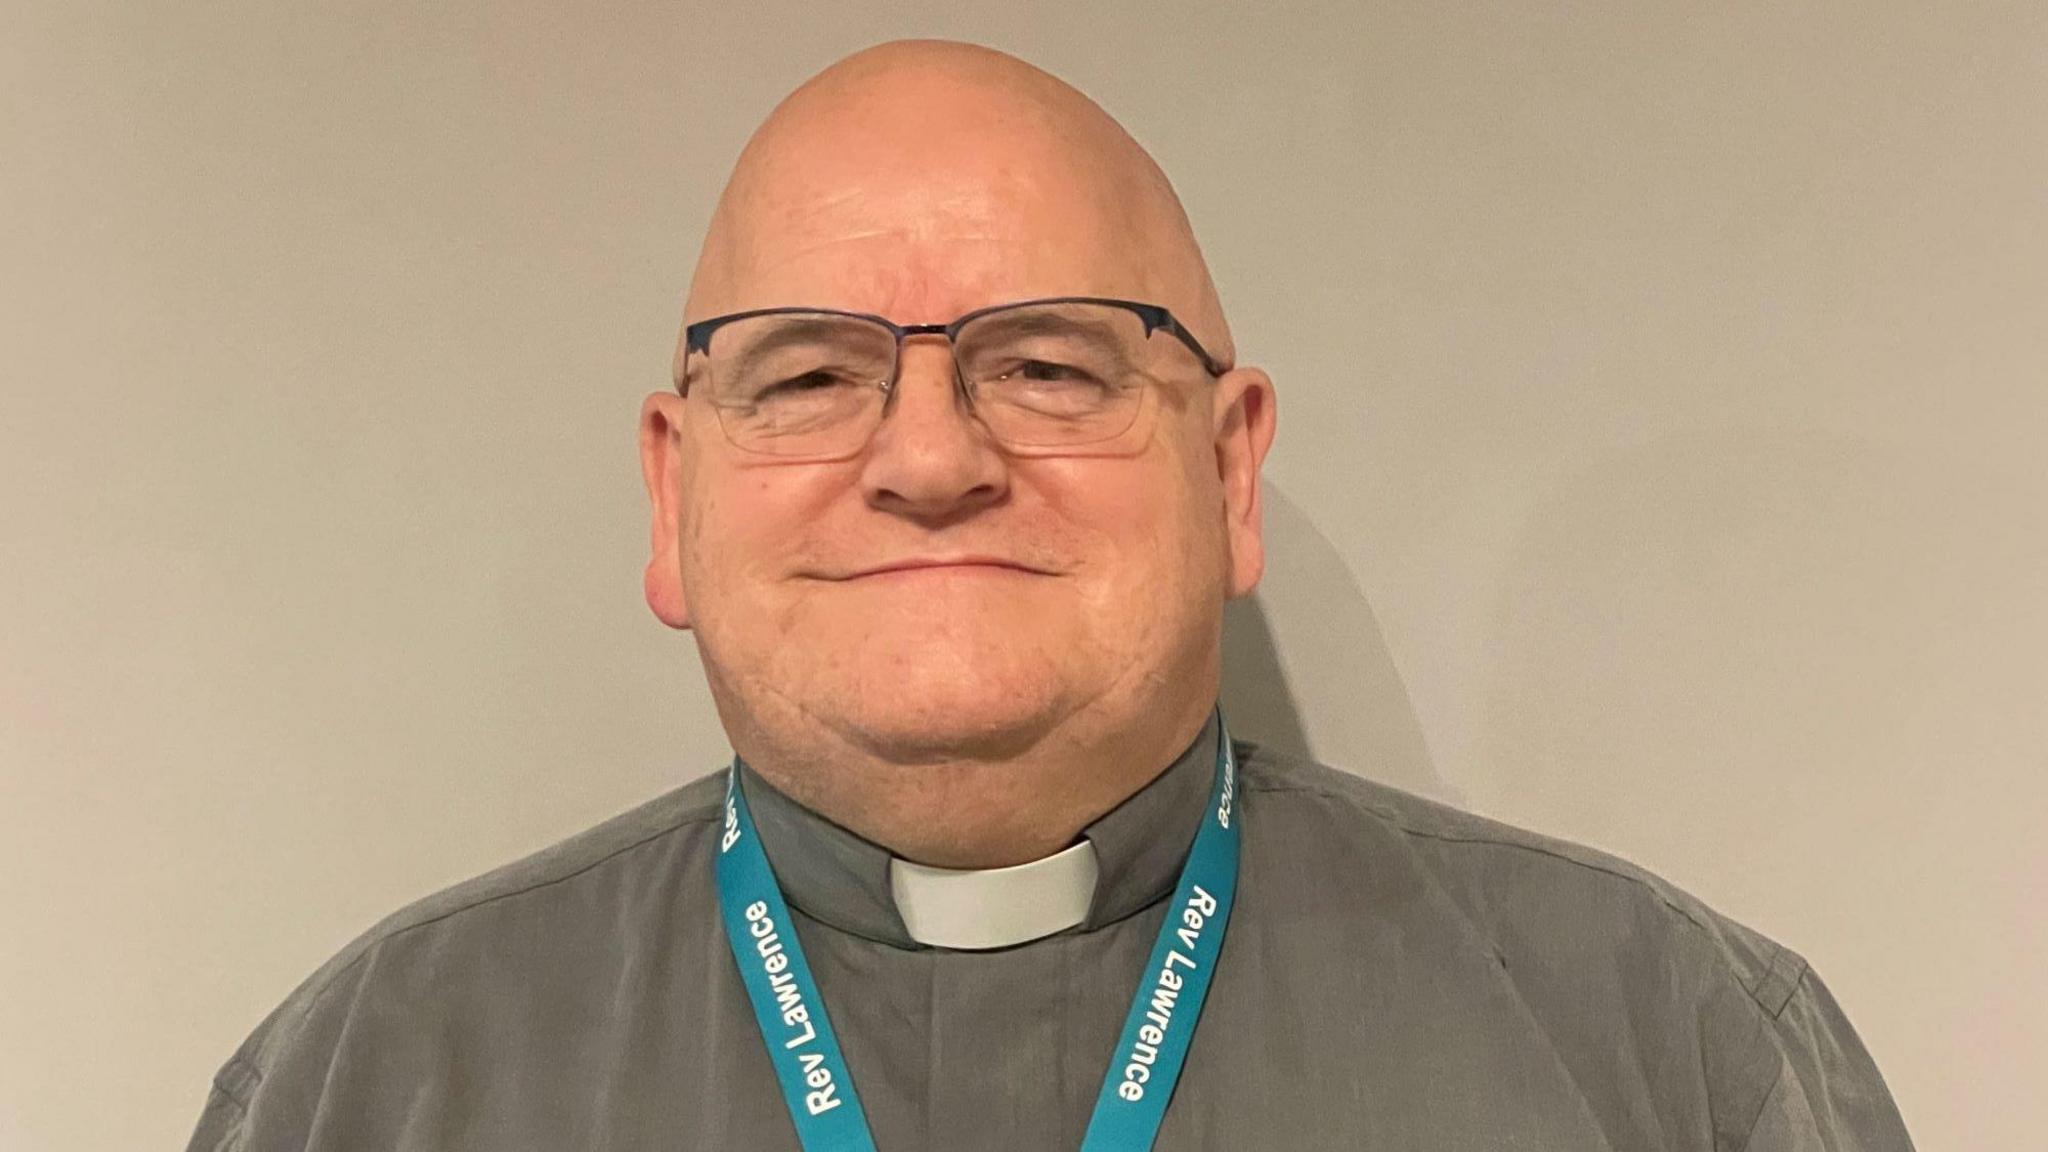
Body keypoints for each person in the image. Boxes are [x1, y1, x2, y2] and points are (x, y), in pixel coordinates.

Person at [185, 39, 1913, 1152]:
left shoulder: (1674, 1060)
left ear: (1229, 471)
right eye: (803, 378)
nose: (929, 458)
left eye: (1053, 367)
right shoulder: (364, 1089)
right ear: (671, 485)